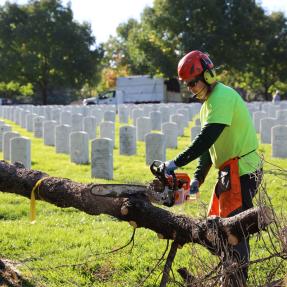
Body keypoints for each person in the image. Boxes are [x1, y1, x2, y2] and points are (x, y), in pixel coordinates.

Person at [161, 50, 262, 286]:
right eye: (187, 84)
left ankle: (236, 281)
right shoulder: (207, 105)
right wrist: (197, 178)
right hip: (229, 171)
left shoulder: (222, 97)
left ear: (207, 76)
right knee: (222, 227)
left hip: (243, 170)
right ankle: (229, 275)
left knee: (235, 230)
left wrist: (175, 163)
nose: (190, 88)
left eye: (193, 82)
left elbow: (207, 138)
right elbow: (209, 148)